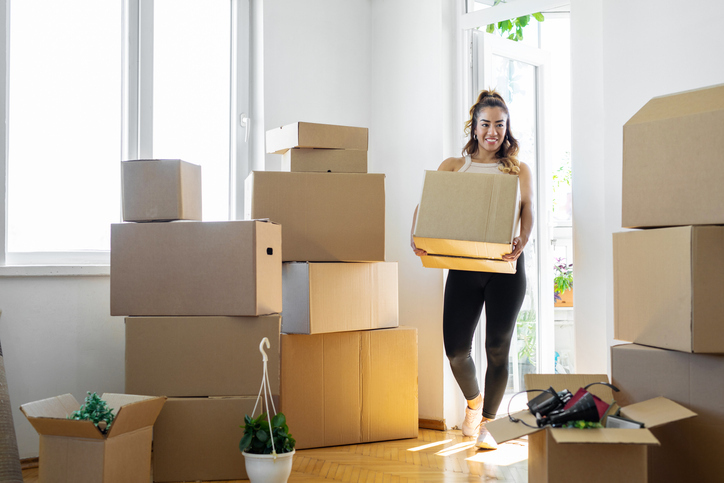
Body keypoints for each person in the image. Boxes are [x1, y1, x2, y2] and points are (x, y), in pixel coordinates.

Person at [411, 89, 534, 449]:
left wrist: (522, 239)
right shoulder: (454, 166)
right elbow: (426, 206)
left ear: (506, 128)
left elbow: (528, 208)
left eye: (499, 125)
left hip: (504, 267)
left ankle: (489, 425)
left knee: (497, 348)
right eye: (485, 124)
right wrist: (416, 236)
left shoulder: (517, 169)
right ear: (475, 127)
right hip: (463, 266)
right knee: (456, 350)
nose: (492, 132)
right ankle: (474, 404)